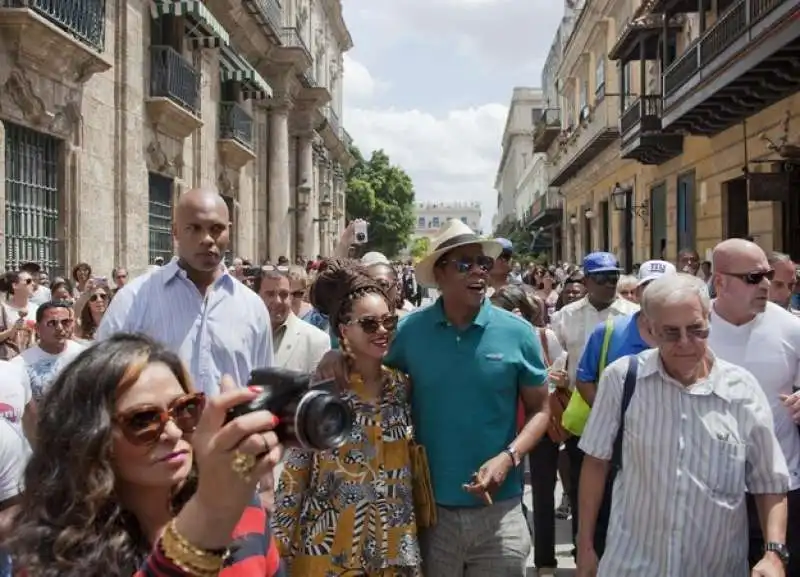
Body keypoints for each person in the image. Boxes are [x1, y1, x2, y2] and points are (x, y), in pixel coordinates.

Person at [315, 219, 550, 576]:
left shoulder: (518, 334)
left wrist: (508, 457)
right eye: (464, 264)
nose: (478, 272)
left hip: (500, 516)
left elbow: (541, 410)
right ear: (439, 273)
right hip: (431, 515)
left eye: (484, 263)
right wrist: (339, 352)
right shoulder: (410, 331)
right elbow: (369, 364)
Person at [7, 334, 285, 576]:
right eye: (143, 420)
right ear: (89, 437)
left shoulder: (240, 508)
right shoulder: (56, 555)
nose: (174, 432)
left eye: (185, 408)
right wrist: (209, 515)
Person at [577, 273, 789, 577]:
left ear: (708, 321)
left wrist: (774, 554)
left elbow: (769, 481)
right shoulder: (622, 379)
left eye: (696, 330)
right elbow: (596, 463)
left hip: (715, 568)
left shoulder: (742, 389)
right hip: (633, 566)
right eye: (671, 333)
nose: (686, 343)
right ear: (650, 331)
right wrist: (585, 546)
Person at [273, 260, 421, 576]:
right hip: (328, 553)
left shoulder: (401, 387)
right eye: (369, 324)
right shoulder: (322, 391)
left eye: (389, 322)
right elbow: (294, 476)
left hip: (393, 551)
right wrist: (277, 551)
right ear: (343, 330)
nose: (382, 331)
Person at [97, 187, 272, 394]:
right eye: (194, 228)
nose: (207, 238)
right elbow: (100, 382)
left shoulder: (252, 307)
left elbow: (262, 388)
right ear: (176, 232)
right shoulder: (134, 300)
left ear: (229, 230)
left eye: (216, 228)